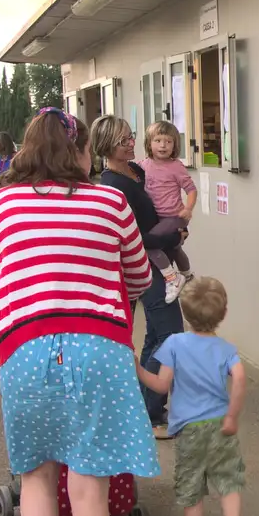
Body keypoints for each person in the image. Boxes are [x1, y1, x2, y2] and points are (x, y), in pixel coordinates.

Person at [0, 107, 157, 516]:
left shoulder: (2, 204)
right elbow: (140, 276)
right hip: (99, 347)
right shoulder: (110, 201)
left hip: (25, 348)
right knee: (89, 486)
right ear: (81, 153)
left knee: (35, 476)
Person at [135, 277, 253, 516]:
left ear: (185, 312)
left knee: (192, 488)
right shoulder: (226, 349)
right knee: (228, 481)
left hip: (188, 429)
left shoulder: (174, 343)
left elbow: (161, 384)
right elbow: (239, 378)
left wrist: (137, 368)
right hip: (219, 425)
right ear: (223, 314)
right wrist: (232, 416)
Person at [89, 115, 188, 435]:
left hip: (158, 258)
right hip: (146, 264)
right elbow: (131, 237)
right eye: (123, 141)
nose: (131, 142)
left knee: (155, 336)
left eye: (131, 136)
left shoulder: (137, 171)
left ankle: (149, 410)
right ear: (106, 146)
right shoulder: (112, 184)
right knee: (171, 335)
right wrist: (172, 237)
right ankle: (154, 410)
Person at [141, 121, 197, 303]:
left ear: (175, 145)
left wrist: (188, 209)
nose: (163, 145)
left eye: (168, 141)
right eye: (158, 140)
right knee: (175, 247)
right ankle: (188, 275)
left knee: (149, 244)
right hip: (158, 217)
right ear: (149, 143)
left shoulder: (176, 166)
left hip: (175, 216)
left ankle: (173, 278)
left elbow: (191, 189)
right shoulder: (143, 165)